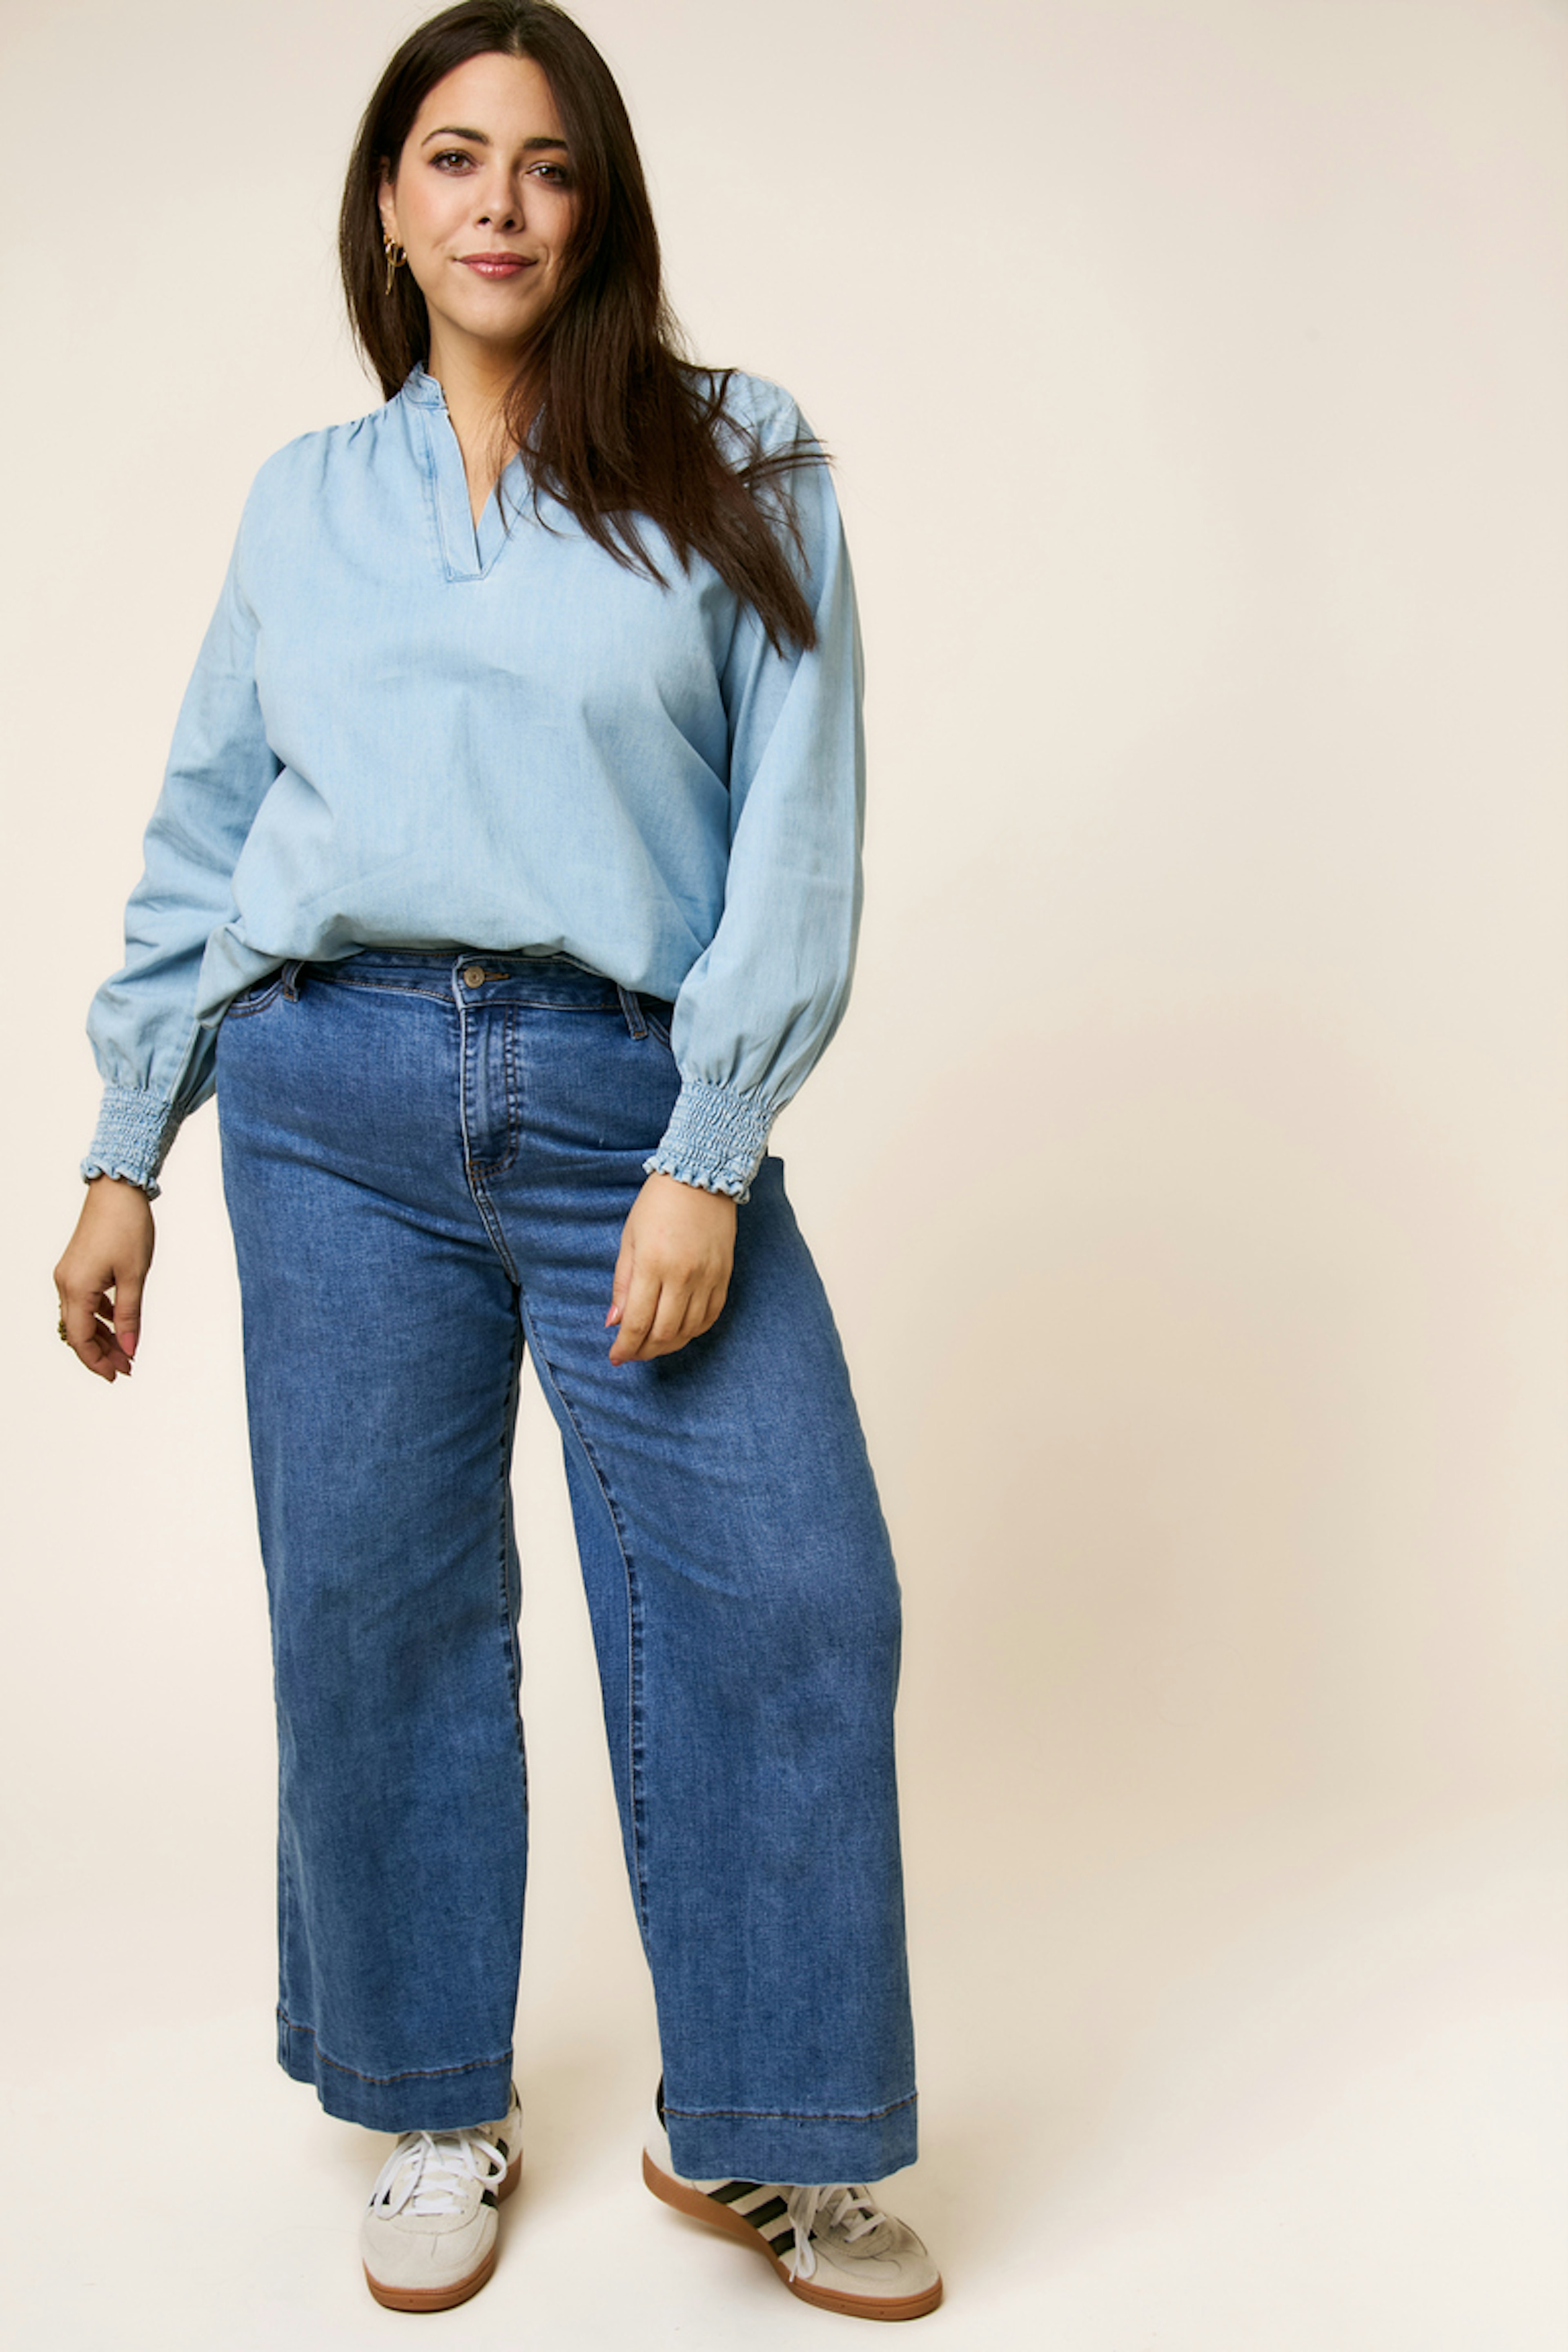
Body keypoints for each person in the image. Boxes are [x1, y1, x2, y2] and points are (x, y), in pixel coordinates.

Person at [52, 0, 941, 2323]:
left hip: (627, 1105)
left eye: (545, 166)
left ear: (599, 203)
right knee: (378, 1602)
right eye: (453, 159)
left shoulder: (741, 459)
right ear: (389, 204)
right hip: (329, 1105)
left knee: (794, 1592)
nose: (499, 206)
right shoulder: (305, 501)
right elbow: (210, 832)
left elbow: (801, 827)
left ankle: (766, 2136)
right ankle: (432, 2094)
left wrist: (712, 1148)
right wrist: (130, 1145)